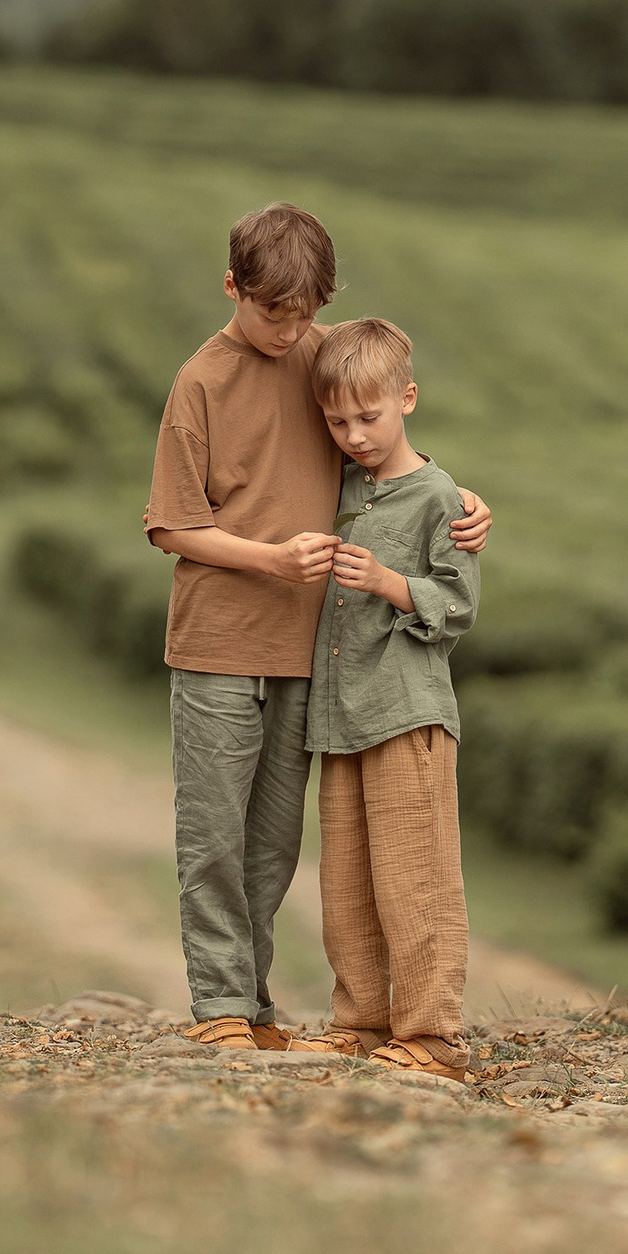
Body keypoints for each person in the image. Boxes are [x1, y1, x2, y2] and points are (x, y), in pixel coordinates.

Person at [143, 204, 488, 1050]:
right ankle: (221, 1006)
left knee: (273, 843)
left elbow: (380, 428)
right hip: (218, 640)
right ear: (233, 287)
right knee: (214, 834)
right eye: (274, 312)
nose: (290, 330)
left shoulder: (321, 355)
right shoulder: (200, 383)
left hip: (309, 653)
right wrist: (269, 561)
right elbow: (172, 527)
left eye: (304, 312)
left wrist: (460, 503)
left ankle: (256, 1007)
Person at [285, 317, 478, 1082]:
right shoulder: (342, 484)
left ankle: (432, 1034)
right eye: (337, 421)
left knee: (415, 877)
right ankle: (360, 1020)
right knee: (347, 878)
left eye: (369, 417)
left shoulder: (439, 497)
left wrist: (389, 583)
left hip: (406, 712)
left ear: (408, 398)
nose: (355, 434)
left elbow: (457, 606)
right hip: (341, 714)